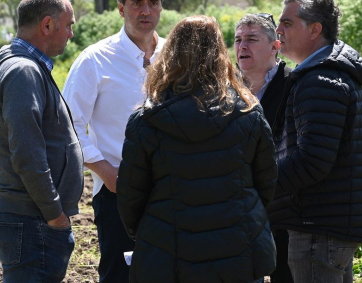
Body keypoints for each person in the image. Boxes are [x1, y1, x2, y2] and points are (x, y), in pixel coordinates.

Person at [117, 15, 277, 283]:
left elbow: (130, 195)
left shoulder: (146, 120)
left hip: (168, 254)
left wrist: (151, 233)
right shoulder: (248, 112)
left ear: (170, 56)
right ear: (220, 55)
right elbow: (267, 183)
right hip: (237, 250)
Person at [62, 0, 166, 282]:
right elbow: (67, 126)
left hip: (172, 192)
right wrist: (109, 175)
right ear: (121, 8)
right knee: (121, 276)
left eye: (153, 2)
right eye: (136, 2)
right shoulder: (95, 60)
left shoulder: (175, 57)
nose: (145, 10)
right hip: (118, 192)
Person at [0, 0, 84, 283]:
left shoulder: (24, 66)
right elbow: (27, 152)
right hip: (31, 217)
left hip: (30, 216)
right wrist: (54, 214)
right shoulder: (23, 72)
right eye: (69, 25)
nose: (71, 34)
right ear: (47, 25)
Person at [271, 0, 362, 283]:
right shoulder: (329, 74)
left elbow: (311, 161)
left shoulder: (320, 80)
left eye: (287, 23)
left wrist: (257, 181)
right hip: (327, 224)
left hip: (318, 226)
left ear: (315, 29)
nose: (278, 31)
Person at [235, 14, 293, 283]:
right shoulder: (225, 90)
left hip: (285, 212)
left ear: (274, 47)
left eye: (251, 39)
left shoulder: (294, 85)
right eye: (237, 40)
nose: (241, 46)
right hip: (238, 215)